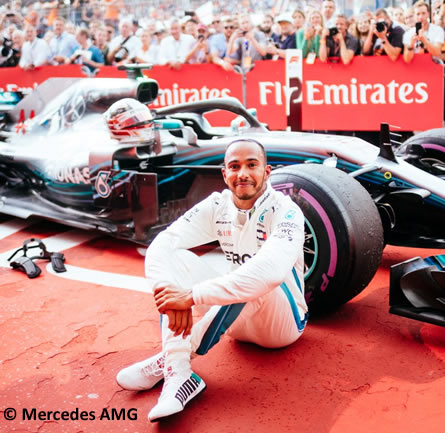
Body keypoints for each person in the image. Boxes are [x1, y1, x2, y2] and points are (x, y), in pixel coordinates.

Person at [115, 132, 307, 422]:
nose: (242, 173)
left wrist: (191, 296)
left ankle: (173, 357)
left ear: (267, 172)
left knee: (257, 276)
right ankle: (178, 372)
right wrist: (171, 294)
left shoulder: (286, 211)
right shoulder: (217, 205)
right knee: (173, 259)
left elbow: (270, 272)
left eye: (251, 165)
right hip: (233, 324)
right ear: (224, 173)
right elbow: (162, 245)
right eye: (234, 166)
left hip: (281, 325)